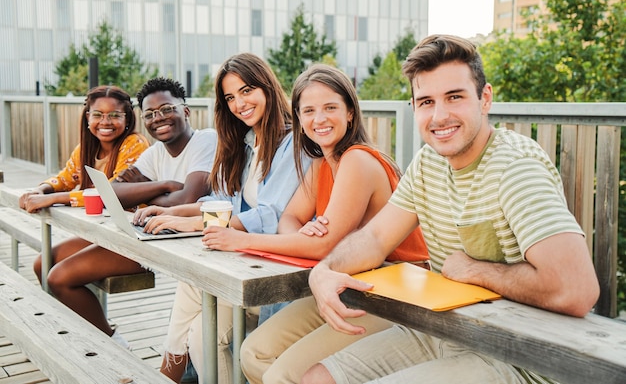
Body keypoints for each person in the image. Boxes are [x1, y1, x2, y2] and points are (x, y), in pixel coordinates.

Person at [303, 34, 600, 384]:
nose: (440, 115)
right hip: (447, 331)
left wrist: (475, 270)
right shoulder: (430, 161)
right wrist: (324, 270)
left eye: (454, 97)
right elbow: (376, 237)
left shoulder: (516, 168)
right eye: (427, 101)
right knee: (317, 379)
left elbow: (576, 289)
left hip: (520, 356)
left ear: (484, 98)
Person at [196, 63, 428, 384]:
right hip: (346, 287)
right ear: (300, 120)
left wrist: (240, 240)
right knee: (254, 353)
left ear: (350, 113)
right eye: (308, 111)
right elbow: (289, 220)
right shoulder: (321, 164)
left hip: (393, 298)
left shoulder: (358, 160)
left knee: (281, 374)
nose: (319, 119)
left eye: (330, 108)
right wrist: (303, 231)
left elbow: (324, 246)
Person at [134, 53, 307, 384]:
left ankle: (164, 375)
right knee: (201, 334)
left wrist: (194, 223)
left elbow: (270, 216)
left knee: (191, 280)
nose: (239, 103)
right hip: (245, 262)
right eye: (230, 97)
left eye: (246, 91)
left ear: (268, 88)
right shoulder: (247, 143)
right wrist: (172, 212)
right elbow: (223, 203)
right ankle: (169, 372)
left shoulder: (293, 142)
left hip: (276, 277)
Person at [32, 77, 217, 349]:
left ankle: (111, 343)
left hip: (176, 243)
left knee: (59, 277)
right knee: (43, 262)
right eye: (151, 113)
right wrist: (165, 187)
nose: (159, 118)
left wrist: (147, 192)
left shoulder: (206, 140)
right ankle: (87, 337)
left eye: (167, 109)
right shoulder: (155, 153)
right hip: (142, 231)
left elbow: (188, 197)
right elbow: (112, 191)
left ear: (186, 111)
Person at [19, 85, 149, 213]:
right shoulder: (85, 149)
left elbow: (111, 192)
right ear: (88, 118)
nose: (105, 122)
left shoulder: (135, 143)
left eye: (114, 115)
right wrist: (41, 190)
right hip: (100, 223)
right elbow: (64, 179)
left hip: (135, 223)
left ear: (127, 119)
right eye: (97, 114)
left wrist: (52, 198)